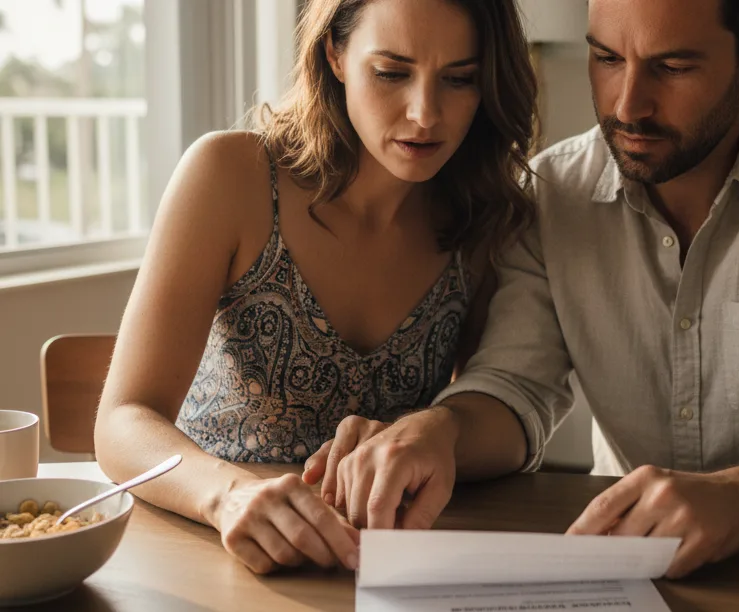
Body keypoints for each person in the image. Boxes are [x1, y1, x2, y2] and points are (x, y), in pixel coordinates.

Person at [302, 0, 739, 579]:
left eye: (673, 67)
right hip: (637, 573)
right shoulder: (550, 196)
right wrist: (440, 430)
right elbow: (515, 386)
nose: (628, 105)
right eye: (606, 58)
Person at [93, 0, 537, 575]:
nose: (425, 114)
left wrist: (431, 435)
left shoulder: (483, 220)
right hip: (208, 555)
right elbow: (122, 421)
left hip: (381, 570)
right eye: (392, 72)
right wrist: (228, 496)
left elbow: (494, 407)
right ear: (336, 53)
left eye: (459, 79)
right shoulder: (230, 176)